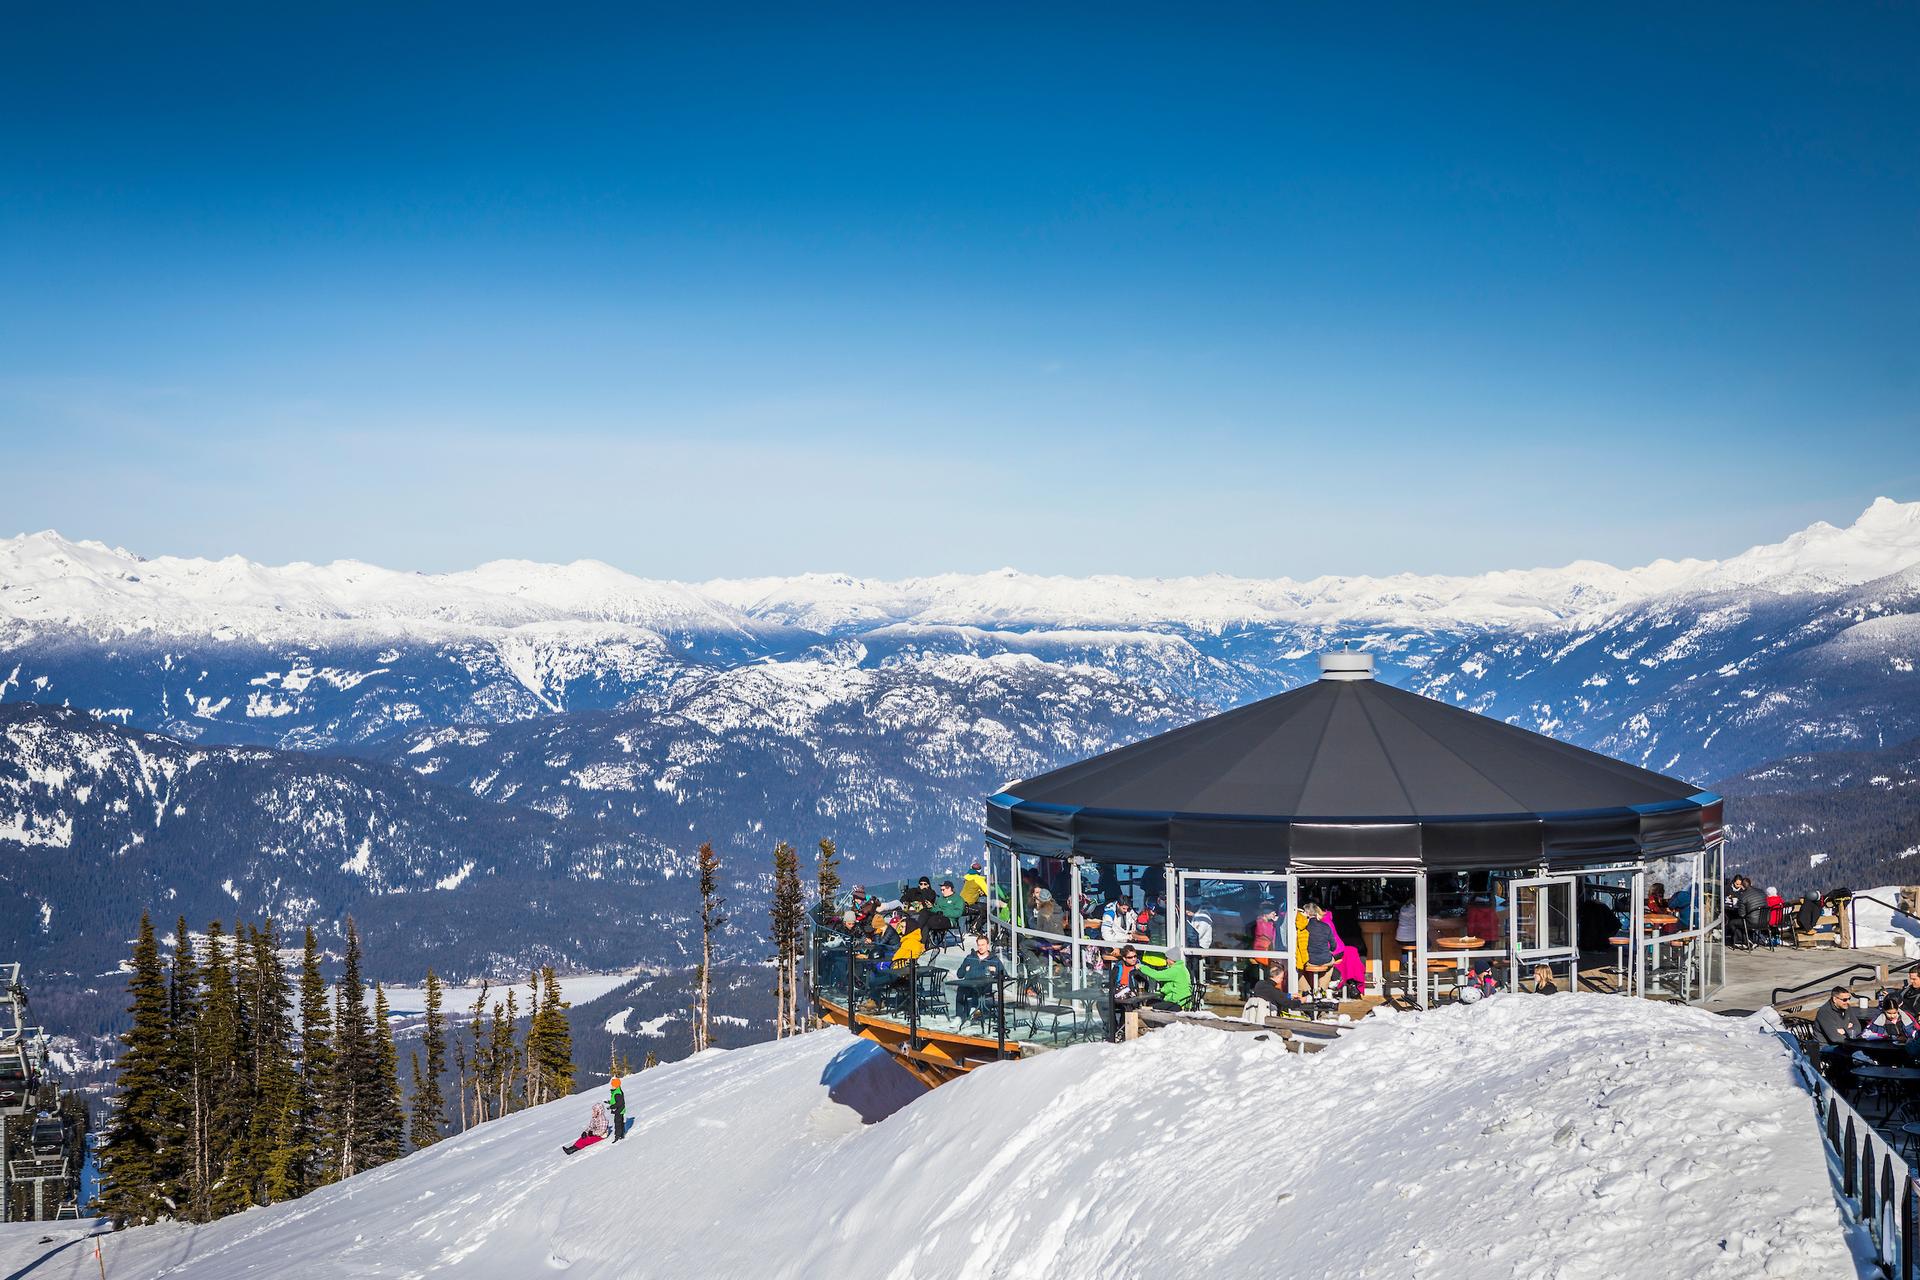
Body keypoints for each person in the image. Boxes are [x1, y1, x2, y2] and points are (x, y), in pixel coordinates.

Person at [954, 935, 1007, 1022]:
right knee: (960, 990)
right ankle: (959, 1017)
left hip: (984, 987)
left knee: (977, 991)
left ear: (987, 945)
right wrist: (965, 969)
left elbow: (1004, 974)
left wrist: (996, 970)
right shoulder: (970, 957)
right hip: (969, 985)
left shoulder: (993, 960)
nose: (981, 947)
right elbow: (959, 974)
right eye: (979, 945)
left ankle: (974, 1011)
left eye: (983, 945)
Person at [608, 1075, 626, 1142]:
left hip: (619, 1110)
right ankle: (621, 1134)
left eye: (612, 1085)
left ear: (616, 1086)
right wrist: (609, 1102)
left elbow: (619, 1103)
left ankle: (618, 1136)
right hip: (620, 1110)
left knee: (618, 1123)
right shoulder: (616, 1091)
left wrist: (611, 1107)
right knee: (620, 1122)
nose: (611, 1086)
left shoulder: (617, 1093)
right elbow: (615, 1101)